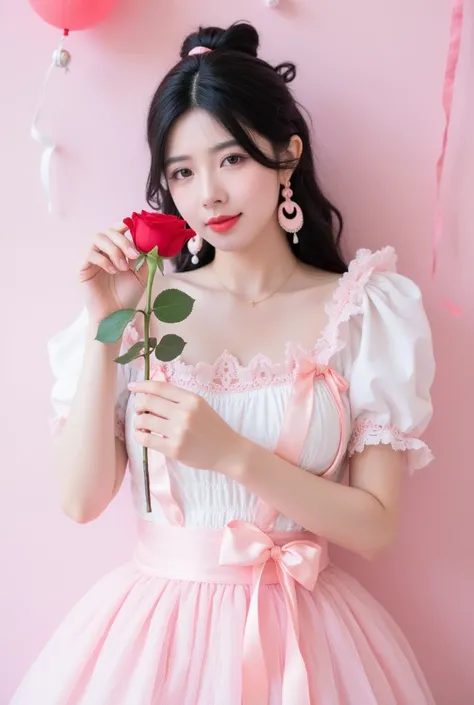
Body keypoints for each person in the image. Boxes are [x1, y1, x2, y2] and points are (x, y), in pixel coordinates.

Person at [11, 20, 436, 705]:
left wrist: (232, 452)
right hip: (156, 644)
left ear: (286, 154)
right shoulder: (143, 309)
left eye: (231, 158)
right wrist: (104, 323)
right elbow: (81, 498)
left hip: (311, 641)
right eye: (181, 171)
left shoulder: (364, 310)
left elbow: (376, 526)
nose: (207, 194)